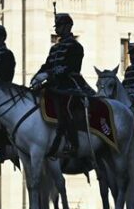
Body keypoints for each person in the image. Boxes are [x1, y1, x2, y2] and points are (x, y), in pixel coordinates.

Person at [30, 12, 91, 158]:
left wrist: (49, 75)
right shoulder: (55, 48)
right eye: (56, 26)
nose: (57, 29)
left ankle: (73, 143)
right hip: (54, 84)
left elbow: (71, 68)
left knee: (66, 107)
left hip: (70, 84)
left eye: (60, 26)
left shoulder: (76, 46)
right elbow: (48, 64)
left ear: (68, 27)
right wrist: (37, 76)